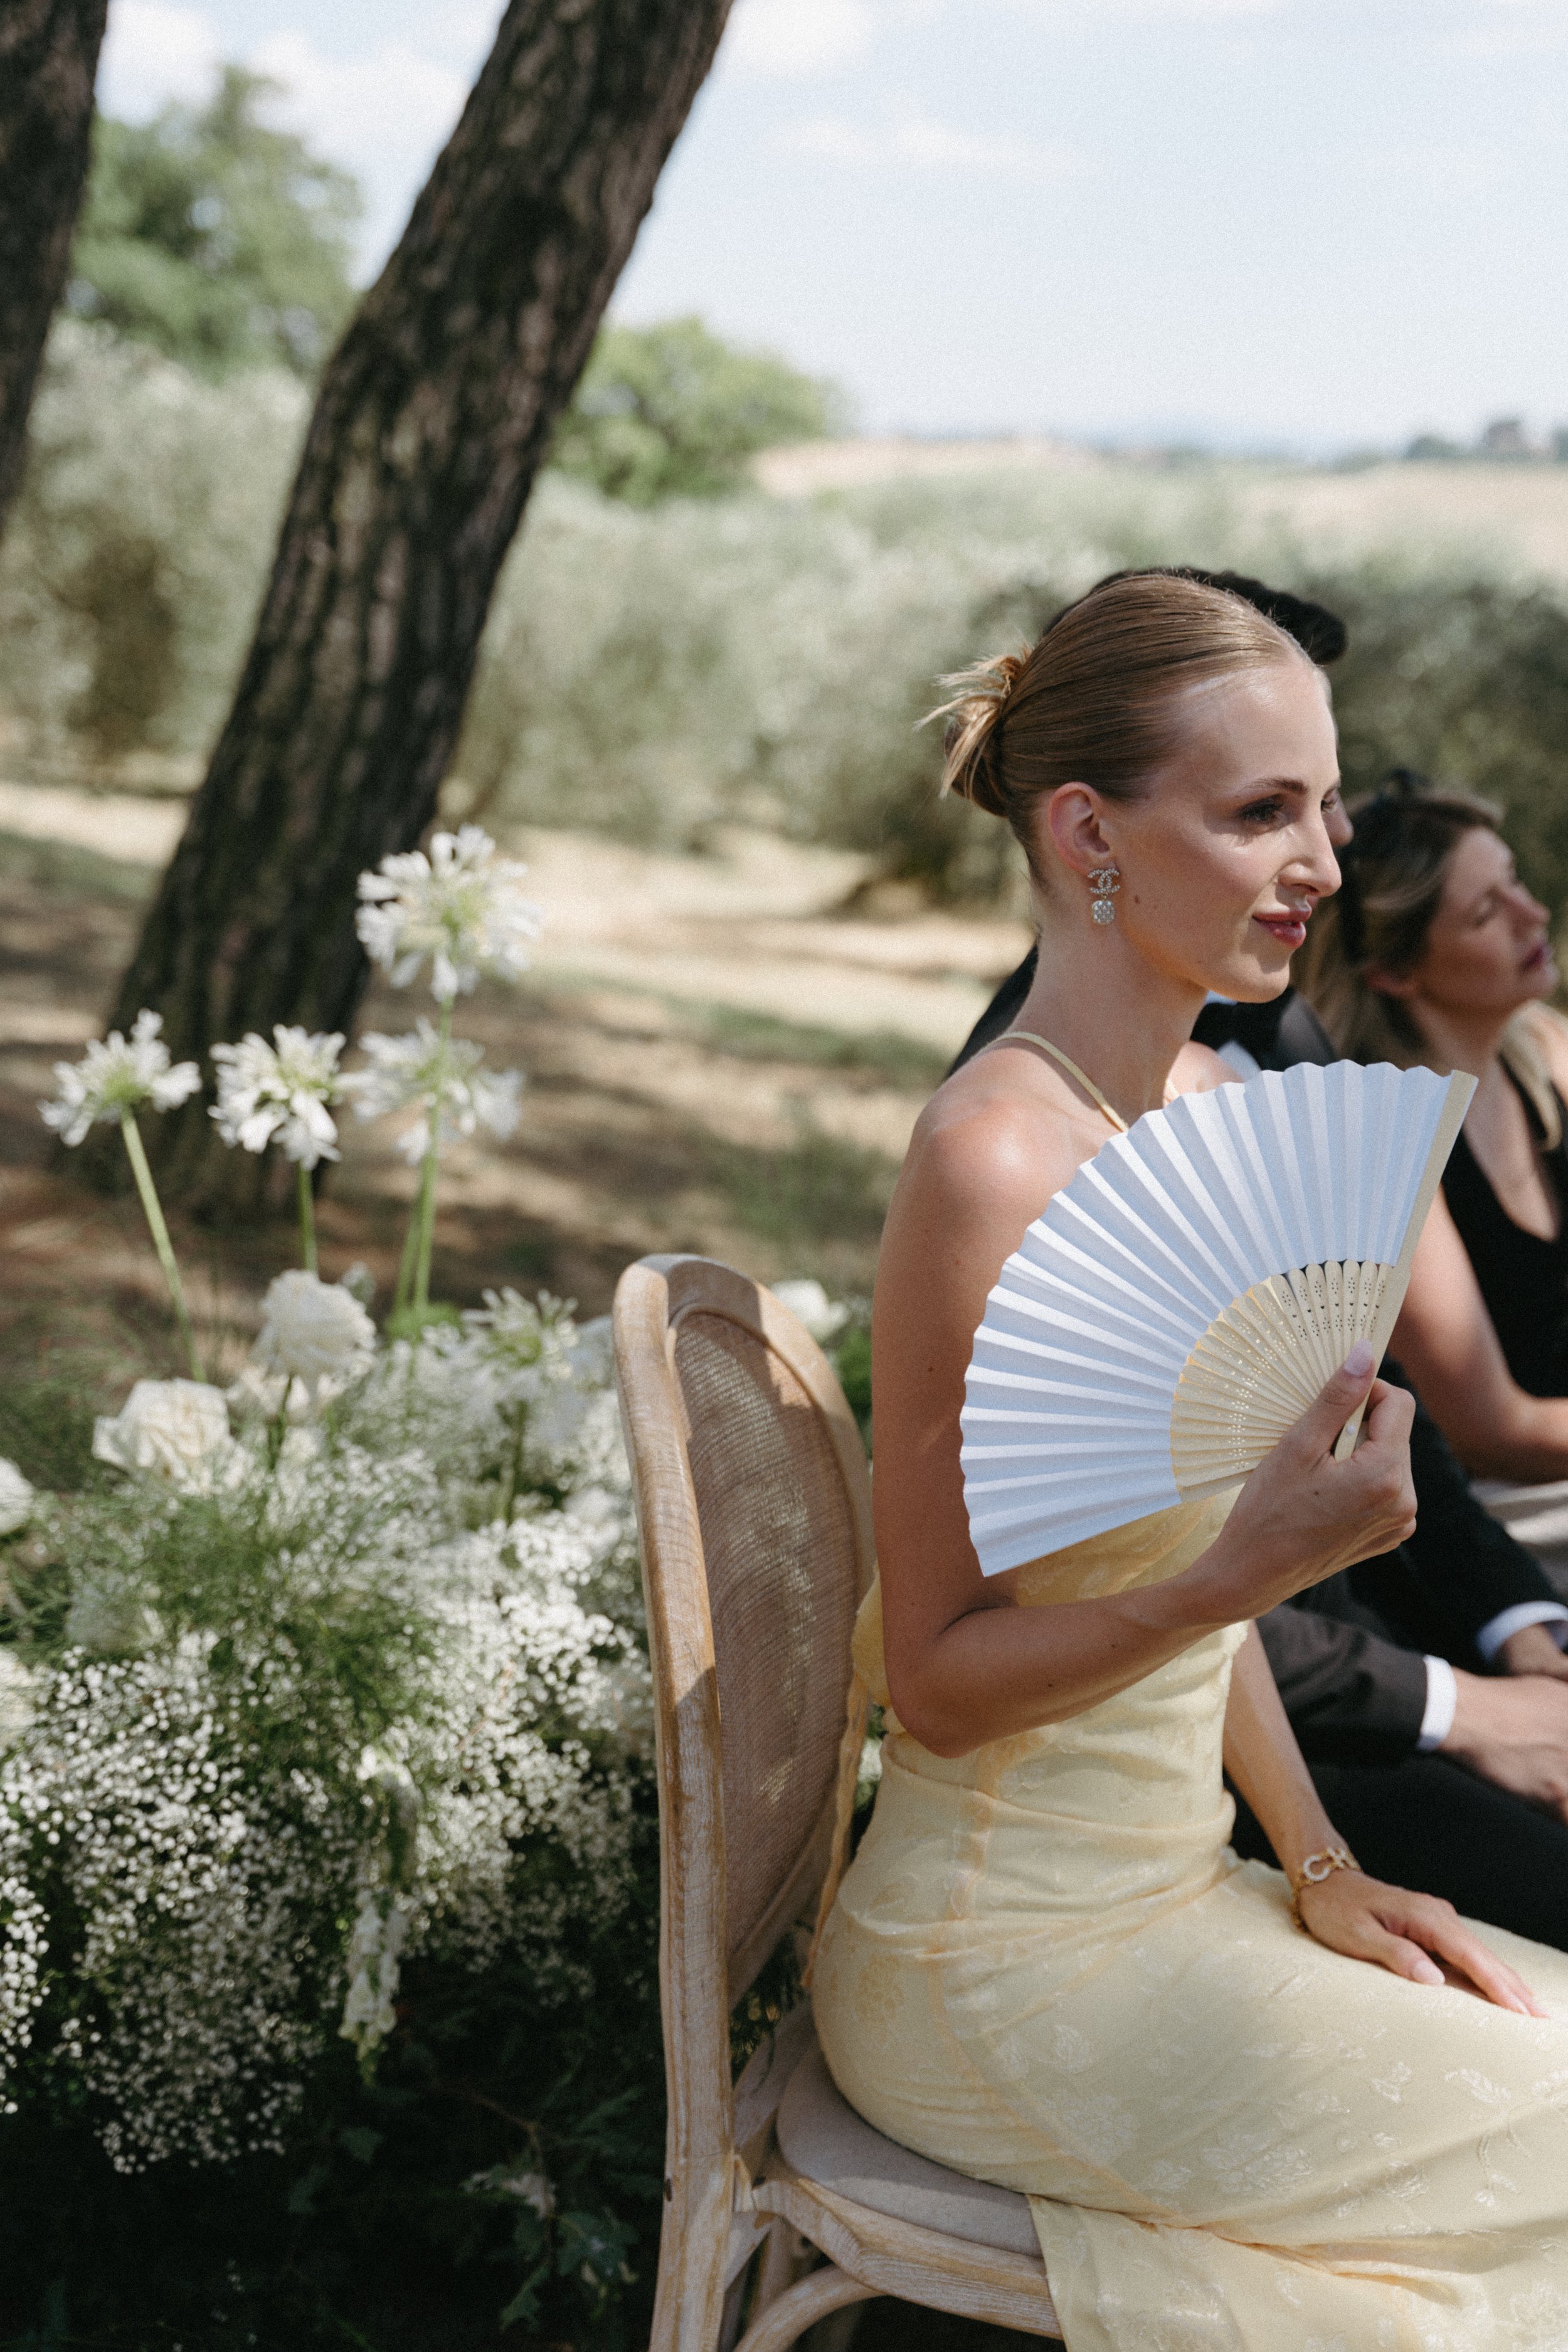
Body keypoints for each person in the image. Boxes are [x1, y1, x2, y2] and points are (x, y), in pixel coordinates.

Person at [810, 570, 1568, 2351]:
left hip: (1191, 1891)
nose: (1318, 861)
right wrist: (1247, 1562)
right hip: (1002, 1963)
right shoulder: (991, 1161)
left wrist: (1318, 1858)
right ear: (1089, 832)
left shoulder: (1209, 1110)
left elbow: (1179, 1604)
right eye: (1258, 811)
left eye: (1325, 805)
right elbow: (938, 1682)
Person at [1294, 775, 1568, 1506]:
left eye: (1513, 882)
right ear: (1394, 972)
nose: (1533, 914)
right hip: (1516, 1504)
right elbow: (1491, 1431)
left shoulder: (1547, 1051)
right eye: (1485, 912)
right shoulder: (1389, 1146)